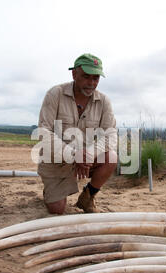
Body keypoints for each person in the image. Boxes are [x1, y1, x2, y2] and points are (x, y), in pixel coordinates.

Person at [36, 53, 117, 215]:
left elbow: (111, 135)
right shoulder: (55, 94)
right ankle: (50, 193)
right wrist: (74, 155)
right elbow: (43, 133)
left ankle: (88, 196)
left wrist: (88, 154)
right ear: (74, 74)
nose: (91, 83)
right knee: (57, 209)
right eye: (87, 77)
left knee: (111, 157)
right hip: (56, 161)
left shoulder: (104, 101)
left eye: (96, 78)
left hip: (85, 159)